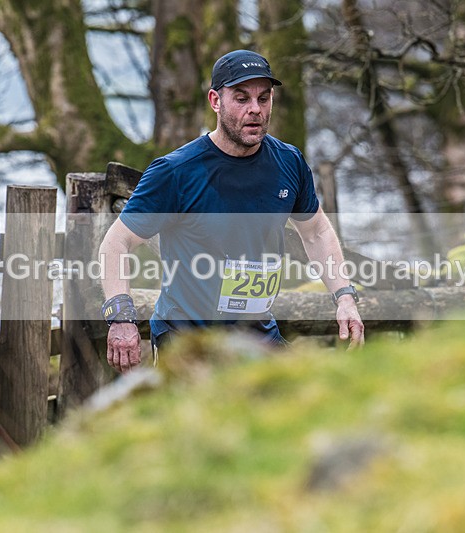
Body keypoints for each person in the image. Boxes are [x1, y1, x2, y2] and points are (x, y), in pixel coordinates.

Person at [99, 49, 364, 373]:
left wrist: (344, 297)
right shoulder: (176, 171)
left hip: (257, 336)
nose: (255, 109)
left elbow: (317, 231)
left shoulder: (289, 163)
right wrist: (121, 316)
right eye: (241, 98)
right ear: (215, 100)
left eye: (263, 98)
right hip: (187, 341)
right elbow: (116, 243)